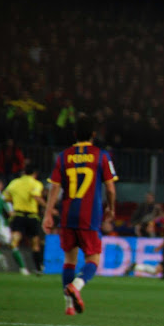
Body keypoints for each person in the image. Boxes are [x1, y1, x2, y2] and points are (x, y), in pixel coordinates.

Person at [42, 115, 118, 315]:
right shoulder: (101, 155)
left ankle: (68, 307)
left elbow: (54, 187)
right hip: (89, 216)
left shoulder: (63, 156)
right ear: (94, 134)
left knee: (69, 260)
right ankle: (76, 285)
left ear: (75, 134)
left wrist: (48, 214)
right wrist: (111, 208)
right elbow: (110, 189)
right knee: (93, 259)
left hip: (68, 215)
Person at [3, 164, 46, 275]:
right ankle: (38, 267)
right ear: (35, 174)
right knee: (35, 243)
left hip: (18, 215)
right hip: (32, 216)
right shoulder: (36, 183)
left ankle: (22, 267)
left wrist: (16, 200)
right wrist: (48, 207)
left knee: (15, 241)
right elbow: (35, 196)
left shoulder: (14, 183)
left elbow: (5, 197)